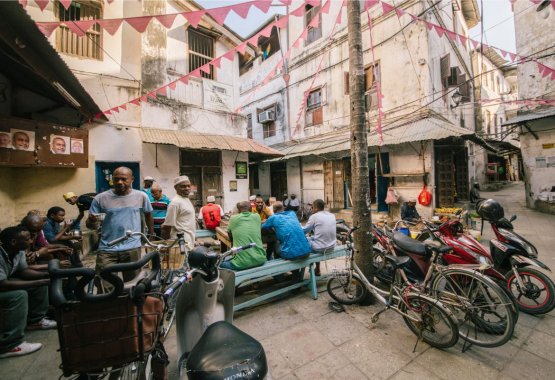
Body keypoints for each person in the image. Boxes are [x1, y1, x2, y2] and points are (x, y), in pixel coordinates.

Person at [86, 167, 154, 291]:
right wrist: (91, 221)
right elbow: (90, 225)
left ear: (132, 179)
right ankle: (110, 308)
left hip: (132, 247)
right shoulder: (101, 198)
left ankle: (130, 308)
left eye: (124, 179)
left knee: (134, 284)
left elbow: (149, 214)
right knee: (104, 284)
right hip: (107, 248)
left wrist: (151, 233)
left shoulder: (141, 196)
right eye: (116, 179)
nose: (119, 182)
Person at [0, 226, 56, 359]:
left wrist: (46, 276)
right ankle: (9, 345)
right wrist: (38, 282)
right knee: (18, 295)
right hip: (2, 284)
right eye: (27, 239)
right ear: (13, 241)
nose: (31, 242)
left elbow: (24, 271)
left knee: (39, 281)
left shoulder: (17, 251)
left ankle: (35, 321)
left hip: (4, 282)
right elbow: (2, 284)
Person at [221, 201, 266, 271]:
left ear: (239, 210)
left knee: (218, 262)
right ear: (251, 209)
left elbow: (230, 235)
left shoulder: (233, 218)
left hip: (240, 264)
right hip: (261, 259)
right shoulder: (257, 217)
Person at [302, 199, 336, 276]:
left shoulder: (314, 216)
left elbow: (305, 230)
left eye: (312, 207)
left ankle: (300, 273)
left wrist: (297, 226)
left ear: (316, 208)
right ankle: (317, 269)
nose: (312, 209)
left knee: (304, 241)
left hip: (321, 248)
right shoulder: (332, 215)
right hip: (332, 246)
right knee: (314, 238)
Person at [161, 176, 196, 248]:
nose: (187, 188)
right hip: (181, 243)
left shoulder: (185, 199)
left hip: (189, 241)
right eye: (183, 186)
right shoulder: (175, 203)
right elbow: (167, 226)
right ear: (176, 188)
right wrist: (167, 246)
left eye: (188, 186)